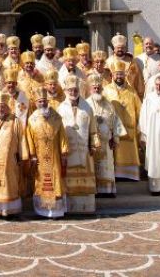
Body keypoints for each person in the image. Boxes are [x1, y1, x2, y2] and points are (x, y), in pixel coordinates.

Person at [58, 74, 100, 213]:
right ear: (65, 91)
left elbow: (93, 128)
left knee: (85, 178)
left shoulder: (87, 107)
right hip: (68, 151)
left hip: (84, 151)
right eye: (70, 90)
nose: (73, 93)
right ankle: (69, 207)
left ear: (79, 90)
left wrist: (94, 144)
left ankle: (85, 207)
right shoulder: (61, 108)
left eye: (75, 90)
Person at [0, 90, 28, 217]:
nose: (0, 109)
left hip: (9, 160)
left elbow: (21, 139)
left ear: (7, 107)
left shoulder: (14, 120)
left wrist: (23, 155)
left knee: (9, 183)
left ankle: (9, 209)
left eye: (2, 107)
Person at [26, 86, 68, 217]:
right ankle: (43, 211)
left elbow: (62, 136)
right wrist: (32, 155)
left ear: (47, 101)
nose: (42, 103)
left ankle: (56, 211)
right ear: (36, 103)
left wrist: (64, 152)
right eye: (39, 101)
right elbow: (29, 139)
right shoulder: (32, 119)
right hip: (40, 157)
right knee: (42, 182)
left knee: (56, 182)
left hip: (54, 156)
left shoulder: (56, 117)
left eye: (44, 101)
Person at [86, 73, 124, 197]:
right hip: (92, 143)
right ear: (90, 89)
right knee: (93, 166)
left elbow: (116, 121)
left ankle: (107, 190)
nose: (96, 89)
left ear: (101, 88)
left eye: (98, 87)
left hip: (106, 142)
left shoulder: (109, 104)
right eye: (94, 87)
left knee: (107, 166)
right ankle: (95, 190)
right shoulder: (86, 104)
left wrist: (115, 137)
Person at [103, 61, 142, 181]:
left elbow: (139, 108)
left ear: (124, 75)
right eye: (116, 74)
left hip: (130, 128)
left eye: (121, 74)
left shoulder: (132, 91)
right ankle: (117, 175)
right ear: (112, 76)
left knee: (129, 152)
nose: (119, 76)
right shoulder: (106, 90)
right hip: (114, 129)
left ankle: (131, 175)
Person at [107, 34, 144, 99]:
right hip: (114, 96)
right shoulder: (108, 62)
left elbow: (139, 79)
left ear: (125, 48)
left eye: (122, 47)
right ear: (114, 49)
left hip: (131, 95)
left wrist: (140, 94)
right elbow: (106, 79)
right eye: (118, 48)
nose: (120, 49)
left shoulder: (132, 62)